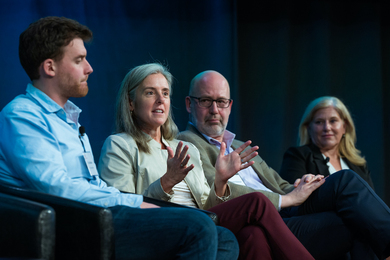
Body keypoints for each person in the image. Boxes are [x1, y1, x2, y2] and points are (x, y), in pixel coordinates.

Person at [0, 17, 239, 260]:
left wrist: (134, 202)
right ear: (50, 67)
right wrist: (135, 204)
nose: (89, 68)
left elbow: (94, 184)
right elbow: (56, 188)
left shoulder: (69, 119)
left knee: (225, 238)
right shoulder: (21, 115)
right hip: (76, 224)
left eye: (165, 93)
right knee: (198, 227)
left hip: (98, 214)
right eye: (79, 60)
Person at [98, 63, 315, 260]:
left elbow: (207, 205)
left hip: (199, 219)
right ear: (131, 102)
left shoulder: (185, 148)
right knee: (256, 201)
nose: (160, 100)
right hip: (161, 225)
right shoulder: (119, 145)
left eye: (165, 93)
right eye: (149, 93)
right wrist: (165, 183)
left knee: (253, 234)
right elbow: (121, 210)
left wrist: (220, 182)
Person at [178, 70, 390, 260]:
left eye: (221, 101)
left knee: (345, 182)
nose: (215, 109)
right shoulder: (185, 144)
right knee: (356, 221)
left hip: (287, 208)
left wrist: (301, 185)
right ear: (189, 104)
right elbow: (212, 193)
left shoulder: (239, 145)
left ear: (230, 106)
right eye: (205, 101)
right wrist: (286, 199)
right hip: (267, 218)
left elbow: (279, 183)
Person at [279, 96, 374, 188]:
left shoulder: (359, 165)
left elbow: (372, 201)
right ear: (309, 128)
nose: (327, 128)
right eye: (319, 122)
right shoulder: (297, 157)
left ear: (344, 127)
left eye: (333, 121)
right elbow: (293, 197)